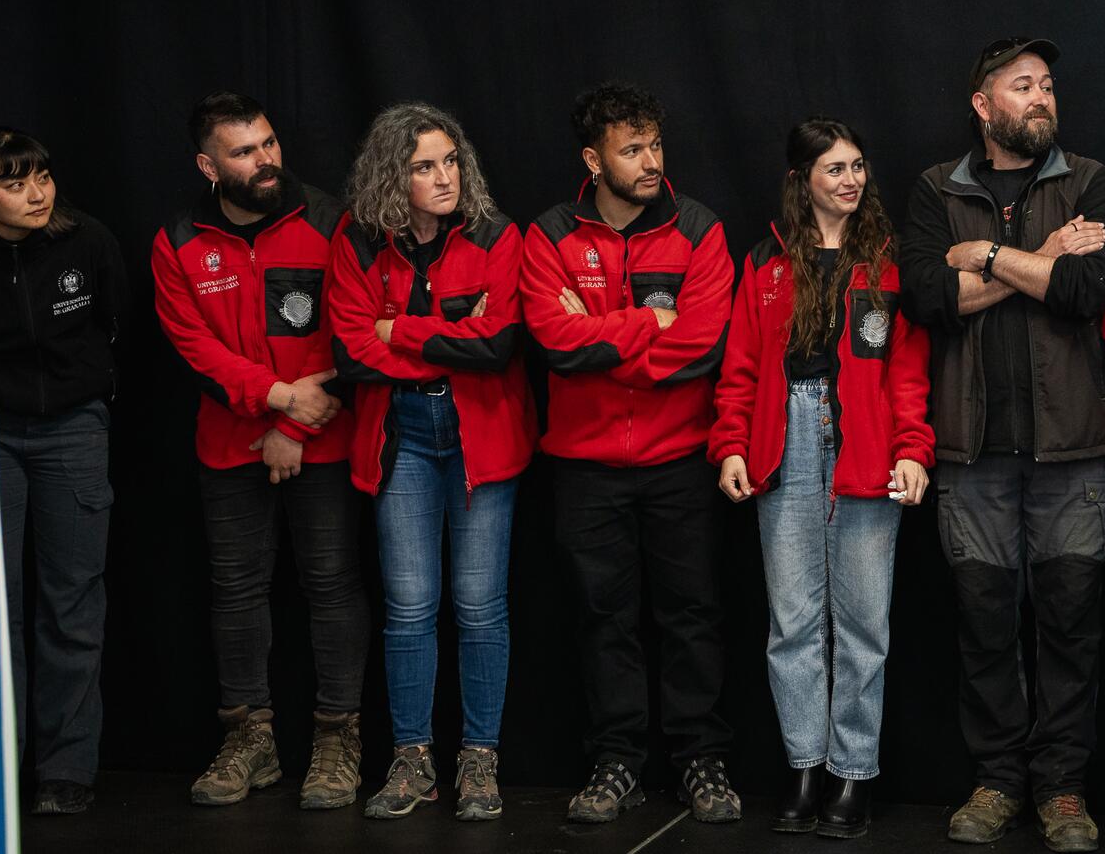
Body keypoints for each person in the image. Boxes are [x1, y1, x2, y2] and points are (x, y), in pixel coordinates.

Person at [899, 37, 1105, 854]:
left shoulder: (1090, 181)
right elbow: (926, 296)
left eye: (1048, 85)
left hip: (1074, 453)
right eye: (1023, 85)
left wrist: (987, 258)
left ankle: (1063, 790)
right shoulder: (935, 189)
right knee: (985, 624)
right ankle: (997, 780)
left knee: (1071, 624)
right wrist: (1037, 261)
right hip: (971, 456)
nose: (1042, 97)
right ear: (982, 104)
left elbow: (1084, 291)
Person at [519, 81, 741, 825]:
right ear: (593, 158)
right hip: (584, 466)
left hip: (680, 461)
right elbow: (554, 343)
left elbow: (701, 347)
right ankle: (617, 759)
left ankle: (700, 758)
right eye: (632, 148)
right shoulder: (548, 234)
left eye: (655, 144)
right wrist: (650, 319)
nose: (651, 161)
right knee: (601, 616)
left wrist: (605, 330)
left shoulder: (699, 228)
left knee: (693, 614)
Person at [711, 117, 934, 839]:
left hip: (865, 444)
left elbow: (906, 370)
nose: (851, 178)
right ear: (800, 180)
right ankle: (805, 764)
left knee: (864, 621)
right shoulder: (766, 262)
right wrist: (731, 446)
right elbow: (742, 365)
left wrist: (913, 448)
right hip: (786, 442)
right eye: (834, 167)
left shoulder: (886, 261)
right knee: (793, 621)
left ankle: (852, 774)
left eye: (858, 166)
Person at [151, 92, 370, 809]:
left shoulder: (333, 220)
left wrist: (297, 424)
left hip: (324, 438)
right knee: (236, 592)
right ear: (208, 165)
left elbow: (350, 338)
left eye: (269, 143)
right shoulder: (177, 238)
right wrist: (277, 400)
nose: (265, 159)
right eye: (244, 151)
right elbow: (196, 350)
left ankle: (338, 738)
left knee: (332, 585)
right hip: (230, 444)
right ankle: (251, 737)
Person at [327, 103, 536, 821]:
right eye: (424, 166)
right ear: (393, 174)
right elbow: (352, 349)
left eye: (450, 160)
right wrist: (450, 330)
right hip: (402, 433)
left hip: (482, 433)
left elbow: (498, 344)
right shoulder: (356, 241)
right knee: (409, 608)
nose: (445, 177)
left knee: (480, 608)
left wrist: (404, 329)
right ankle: (411, 758)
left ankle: (480, 760)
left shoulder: (495, 233)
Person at [0, 127, 126, 816]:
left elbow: (114, 324)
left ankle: (66, 769)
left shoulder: (86, 240)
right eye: (13, 181)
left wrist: (90, 398)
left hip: (73, 428)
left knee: (72, 602)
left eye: (41, 176)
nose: (35, 194)